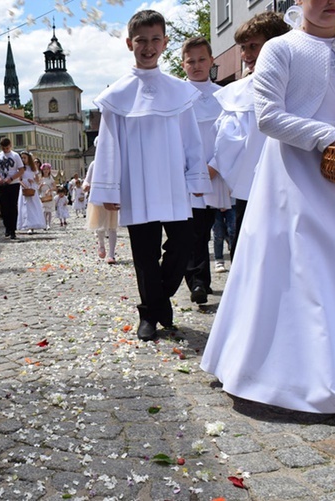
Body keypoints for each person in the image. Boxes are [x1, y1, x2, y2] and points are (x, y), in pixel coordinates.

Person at [201, 0, 335, 419]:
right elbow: (268, 116)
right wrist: (324, 134)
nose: (331, 4)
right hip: (292, 174)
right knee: (299, 262)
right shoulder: (280, 48)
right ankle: (299, 371)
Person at [90, 10, 210, 342]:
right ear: (130, 43)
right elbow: (109, 147)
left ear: (165, 42)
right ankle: (151, 315)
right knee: (145, 255)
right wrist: (109, 189)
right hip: (137, 185)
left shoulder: (179, 92)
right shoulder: (117, 95)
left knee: (184, 245)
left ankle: (156, 305)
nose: (148, 46)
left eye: (155, 39)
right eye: (141, 40)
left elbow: (192, 141)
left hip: (173, 184)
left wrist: (197, 181)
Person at [213, 12, 290, 258]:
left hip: (292, 180)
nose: (246, 55)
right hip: (253, 184)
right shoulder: (240, 91)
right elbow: (226, 142)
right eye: (243, 48)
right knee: (248, 250)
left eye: (254, 46)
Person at [181, 36, 228, 305]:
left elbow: (229, 136)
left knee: (215, 225)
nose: (197, 66)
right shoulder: (177, 95)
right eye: (191, 61)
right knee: (194, 229)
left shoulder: (222, 95)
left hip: (217, 170)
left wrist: (216, 165)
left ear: (211, 61)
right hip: (189, 172)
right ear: (183, 64)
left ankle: (203, 278)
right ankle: (198, 281)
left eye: (202, 60)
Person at [83, 154, 118, 264]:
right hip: (98, 199)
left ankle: (112, 254)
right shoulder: (94, 164)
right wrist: (86, 185)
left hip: (112, 197)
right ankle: (101, 244)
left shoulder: (114, 163)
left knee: (112, 227)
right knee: (99, 226)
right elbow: (87, 179)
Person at [0, 137, 24, 239]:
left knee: (12, 206)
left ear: (10, 146)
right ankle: (7, 226)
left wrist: (11, 178)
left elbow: (21, 170)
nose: (5, 150)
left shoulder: (15, 156)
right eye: (3, 148)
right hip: (2, 184)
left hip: (13, 183)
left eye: (7, 148)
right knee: (4, 207)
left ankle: (13, 229)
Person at [17, 151, 47, 233]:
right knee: (25, 206)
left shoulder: (33, 168)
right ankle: (25, 224)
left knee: (33, 206)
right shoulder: (21, 168)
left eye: (24, 158)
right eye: (22, 158)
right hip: (24, 188)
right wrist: (24, 184)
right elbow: (19, 179)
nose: (23, 159)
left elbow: (37, 180)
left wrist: (33, 180)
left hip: (32, 187)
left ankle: (32, 224)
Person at [39, 162, 57, 230]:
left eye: (47, 169)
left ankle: (48, 224)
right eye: (44, 169)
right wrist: (40, 186)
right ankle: (44, 223)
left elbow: (55, 187)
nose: (46, 171)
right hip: (43, 194)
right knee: (44, 210)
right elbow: (38, 188)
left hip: (49, 194)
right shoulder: (41, 178)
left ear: (49, 170)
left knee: (49, 211)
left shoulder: (50, 178)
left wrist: (49, 190)